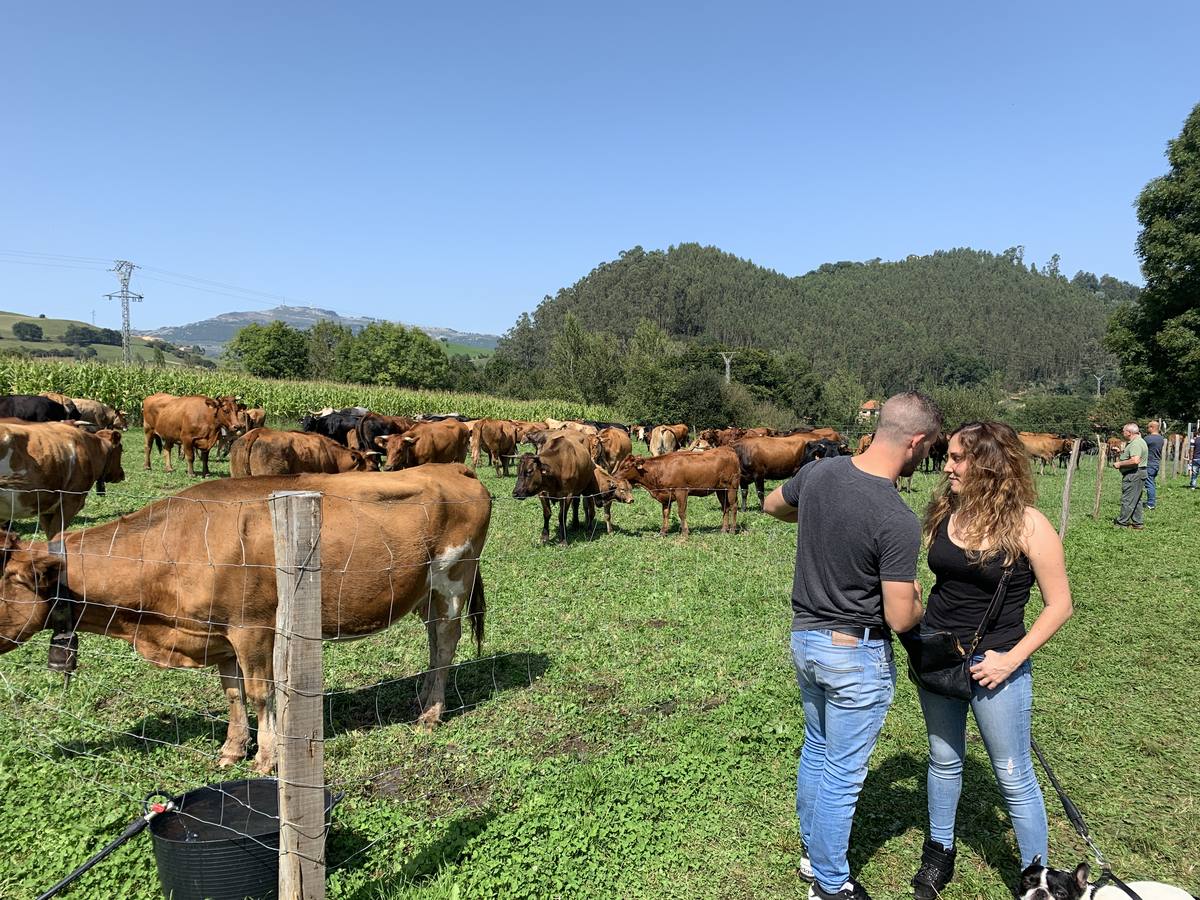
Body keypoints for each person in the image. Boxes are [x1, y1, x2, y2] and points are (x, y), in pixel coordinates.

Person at [764, 392, 943, 900]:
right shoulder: (896, 517)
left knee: (817, 749)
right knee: (844, 770)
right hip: (855, 653)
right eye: (930, 446)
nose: (930, 454)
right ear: (915, 442)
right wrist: (919, 603)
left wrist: (820, 519)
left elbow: (772, 503)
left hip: (806, 639)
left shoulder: (820, 474)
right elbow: (898, 615)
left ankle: (812, 853)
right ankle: (831, 883)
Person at [910, 422, 1073, 899]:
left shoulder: (1028, 524)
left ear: (989, 464)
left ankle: (1036, 876)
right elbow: (943, 585)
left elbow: (1059, 604)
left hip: (996, 661)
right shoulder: (945, 512)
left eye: (958, 458)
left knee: (1012, 770)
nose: (947, 465)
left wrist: (1009, 660)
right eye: (949, 457)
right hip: (939, 655)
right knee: (943, 759)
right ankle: (939, 853)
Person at [1113, 423, 1148, 529]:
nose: (1123, 433)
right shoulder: (1139, 441)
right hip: (1139, 473)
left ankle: (1121, 523)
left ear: (1128, 432)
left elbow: (1135, 460)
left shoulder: (1135, 443)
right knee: (1136, 499)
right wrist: (1121, 453)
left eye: (1123, 431)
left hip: (1133, 474)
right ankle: (1138, 523)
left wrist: (1119, 464)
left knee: (1128, 499)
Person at [1143, 421, 1165, 509]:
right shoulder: (1161, 438)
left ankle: (1151, 503)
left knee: (1149, 483)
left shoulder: (1148, 439)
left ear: (1152, 428)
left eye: (1148, 427)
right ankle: (1150, 500)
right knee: (1151, 482)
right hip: (1156, 463)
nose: (1147, 429)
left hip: (1149, 464)